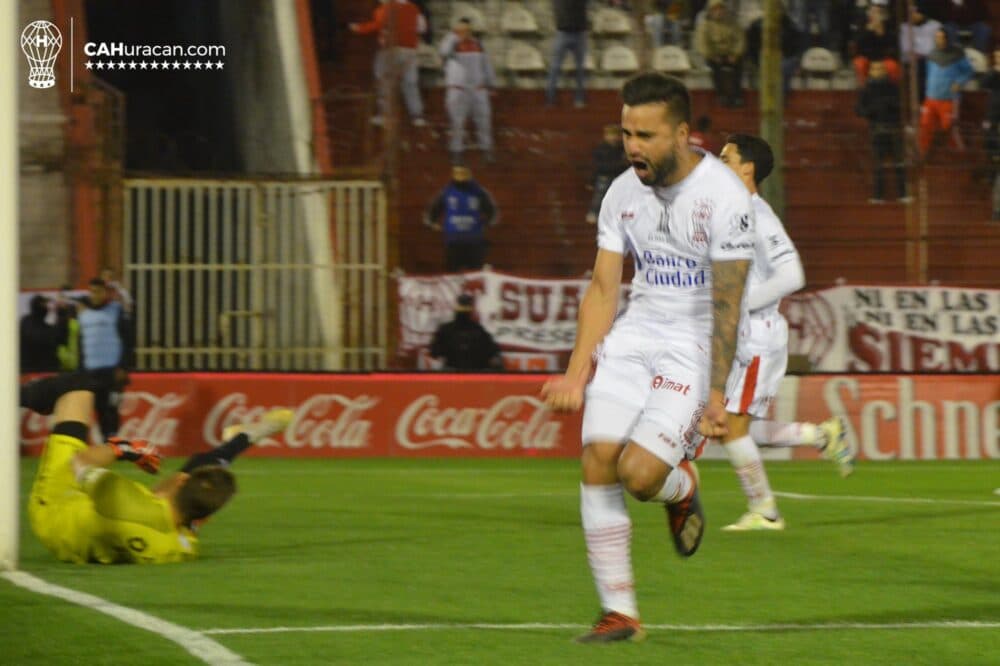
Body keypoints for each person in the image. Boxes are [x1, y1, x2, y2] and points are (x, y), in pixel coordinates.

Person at [541, 72, 755, 642]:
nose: (632, 146)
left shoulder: (724, 197)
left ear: (681, 135)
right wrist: (576, 373)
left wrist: (718, 395)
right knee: (597, 458)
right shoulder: (621, 193)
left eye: (646, 135)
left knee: (638, 476)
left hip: (694, 344)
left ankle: (680, 488)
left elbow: (728, 302)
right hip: (636, 334)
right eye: (626, 133)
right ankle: (620, 612)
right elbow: (603, 288)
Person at [716, 134, 855, 531]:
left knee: (731, 427)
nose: (716, 164)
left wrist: (741, 304)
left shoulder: (758, 216)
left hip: (756, 337)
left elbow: (792, 275)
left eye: (725, 159)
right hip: (740, 336)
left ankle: (765, 511)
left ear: (747, 169)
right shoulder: (732, 214)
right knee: (736, 427)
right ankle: (821, 435)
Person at [21, 372, 293, 564]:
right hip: (111, 536)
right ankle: (244, 438)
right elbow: (192, 485)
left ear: (180, 482)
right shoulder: (181, 547)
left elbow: (81, 463)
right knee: (199, 473)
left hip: (57, 513)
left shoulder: (125, 500)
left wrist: (124, 449)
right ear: (203, 520)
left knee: (77, 386)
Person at [350, 0, 428, 127]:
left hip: (390, 49)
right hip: (410, 50)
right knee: (410, 83)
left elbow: (378, 24)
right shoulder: (414, 8)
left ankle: (385, 115)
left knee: (383, 80)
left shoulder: (386, 8)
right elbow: (422, 28)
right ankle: (417, 116)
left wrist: (358, 28)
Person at [78, 277, 135, 440]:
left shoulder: (116, 311)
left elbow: (128, 340)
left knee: (111, 409)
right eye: (92, 292)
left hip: (112, 372)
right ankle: (106, 442)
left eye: (98, 292)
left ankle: (112, 441)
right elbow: (81, 344)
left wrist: (123, 367)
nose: (95, 295)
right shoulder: (83, 315)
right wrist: (80, 370)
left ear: (105, 293)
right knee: (99, 409)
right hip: (91, 372)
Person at [439, 17, 496, 165]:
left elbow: (487, 64)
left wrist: (491, 83)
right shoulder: (451, 44)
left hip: (478, 88)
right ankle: (456, 152)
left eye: (467, 29)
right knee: (457, 122)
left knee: (484, 120)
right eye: (461, 29)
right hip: (458, 89)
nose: (465, 32)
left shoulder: (478, 44)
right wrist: (454, 36)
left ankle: (486, 150)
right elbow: (443, 52)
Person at [423, 165, 498, 271]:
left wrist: (488, 222)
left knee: (475, 273)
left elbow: (491, 210)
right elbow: (434, 209)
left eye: (463, 173)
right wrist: (432, 222)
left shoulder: (478, 192)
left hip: (474, 240)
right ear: (453, 175)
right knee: (453, 274)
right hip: (453, 240)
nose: (461, 176)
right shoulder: (447, 192)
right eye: (457, 173)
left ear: (469, 174)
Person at [856, 61, 909, 203]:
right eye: (874, 68)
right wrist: (873, 110)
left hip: (894, 130)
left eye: (880, 68)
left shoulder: (893, 87)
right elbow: (859, 110)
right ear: (870, 71)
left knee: (899, 163)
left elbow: (901, 107)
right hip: (876, 130)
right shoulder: (866, 90)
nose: (878, 71)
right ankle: (878, 195)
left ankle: (903, 194)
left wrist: (888, 106)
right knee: (878, 164)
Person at [918, 28, 973, 157]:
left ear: (948, 39)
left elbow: (968, 71)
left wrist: (959, 82)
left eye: (942, 37)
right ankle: (922, 154)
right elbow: (928, 74)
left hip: (949, 99)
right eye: (937, 37)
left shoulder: (957, 54)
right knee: (925, 125)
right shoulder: (931, 54)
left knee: (949, 127)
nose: (939, 40)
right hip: (931, 98)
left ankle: (957, 155)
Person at [429, 294, 503, 370]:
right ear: (471, 311)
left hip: (452, 373)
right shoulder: (479, 331)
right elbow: (493, 353)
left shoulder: (445, 329)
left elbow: (434, 353)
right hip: (474, 373)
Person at [694, 0, 746, 107]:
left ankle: (737, 96)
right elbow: (702, 44)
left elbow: (740, 40)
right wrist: (712, 56)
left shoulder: (733, 24)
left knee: (738, 69)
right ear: (710, 11)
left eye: (721, 9)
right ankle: (721, 96)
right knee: (717, 71)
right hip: (714, 56)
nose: (719, 12)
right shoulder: (705, 26)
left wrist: (735, 54)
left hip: (731, 54)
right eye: (715, 9)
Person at [545, 0, 589, 108]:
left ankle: (579, 99)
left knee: (580, 69)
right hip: (563, 32)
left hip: (578, 33)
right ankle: (550, 99)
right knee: (555, 68)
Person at [899, 2, 942, 102]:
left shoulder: (935, 26)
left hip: (931, 59)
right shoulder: (905, 27)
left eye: (916, 13)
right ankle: (920, 101)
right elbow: (905, 48)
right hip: (911, 60)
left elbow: (935, 47)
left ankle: (928, 100)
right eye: (911, 12)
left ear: (923, 14)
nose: (913, 15)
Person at [586, 124, 629, 224]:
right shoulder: (602, 149)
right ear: (605, 136)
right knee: (600, 195)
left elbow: (626, 164)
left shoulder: (622, 149)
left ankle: (619, 215)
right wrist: (591, 181)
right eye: (611, 135)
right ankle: (594, 212)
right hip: (604, 176)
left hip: (618, 177)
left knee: (620, 196)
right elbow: (597, 166)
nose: (613, 138)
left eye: (616, 135)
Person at [852, 3, 901, 86]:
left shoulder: (890, 30)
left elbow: (893, 49)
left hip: (885, 59)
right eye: (871, 12)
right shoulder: (863, 28)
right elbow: (859, 49)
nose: (873, 15)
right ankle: (864, 89)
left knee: (892, 66)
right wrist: (868, 32)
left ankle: (893, 88)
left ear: (883, 16)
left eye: (877, 12)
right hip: (869, 59)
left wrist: (881, 32)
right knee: (859, 64)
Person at [20, 294, 60, 373]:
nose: (48, 308)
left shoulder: (25, 321)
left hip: (26, 369)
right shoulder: (47, 329)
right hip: (42, 370)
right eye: (46, 305)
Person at [983, 48, 1000, 220]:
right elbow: (984, 83)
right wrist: (996, 70)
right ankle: (997, 211)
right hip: (994, 120)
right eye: (996, 57)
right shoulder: (993, 75)